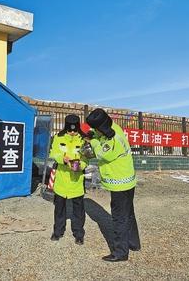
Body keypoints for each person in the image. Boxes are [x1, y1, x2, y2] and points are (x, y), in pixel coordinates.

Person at [86, 108, 141, 262]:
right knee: (128, 213)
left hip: (120, 184)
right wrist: (94, 133)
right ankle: (133, 243)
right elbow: (98, 133)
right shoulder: (113, 127)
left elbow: (102, 153)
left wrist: (93, 140)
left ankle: (120, 252)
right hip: (128, 180)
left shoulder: (113, 139)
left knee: (119, 218)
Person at [49, 114, 88, 245]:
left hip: (77, 180)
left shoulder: (83, 140)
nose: (72, 132)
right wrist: (62, 159)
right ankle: (57, 231)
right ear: (66, 127)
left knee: (78, 210)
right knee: (59, 208)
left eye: (74, 130)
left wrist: (80, 166)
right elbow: (53, 153)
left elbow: (86, 159)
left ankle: (79, 234)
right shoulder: (58, 137)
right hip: (61, 179)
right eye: (69, 130)